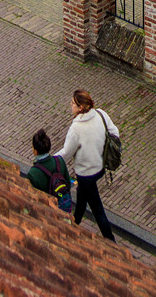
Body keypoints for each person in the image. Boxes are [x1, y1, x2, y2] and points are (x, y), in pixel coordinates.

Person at [57, 89, 119, 241]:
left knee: (97, 208)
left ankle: (110, 240)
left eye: (72, 103)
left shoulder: (76, 128)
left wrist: (52, 160)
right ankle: (76, 221)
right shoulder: (101, 114)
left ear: (80, 108)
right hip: (100, 167)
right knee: (82, 195)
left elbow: (67, 152)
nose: (70, 105)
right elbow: (115, 132)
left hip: (86, 173)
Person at [22, 129, 71, 209]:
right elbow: (68, 183)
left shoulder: (33, 174)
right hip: (63, 204)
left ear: (35, 151)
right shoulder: (60, 161)